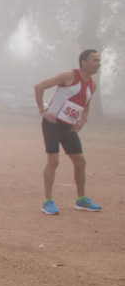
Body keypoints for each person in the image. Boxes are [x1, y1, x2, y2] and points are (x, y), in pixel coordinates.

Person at [33, 49, 102, 215]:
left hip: (69, 127)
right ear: (84, 62)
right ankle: (47, 202)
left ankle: (81, 200)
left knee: (80, 163)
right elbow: (39, 87)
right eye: (95, 60)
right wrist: (42, 111)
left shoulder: (93, 84)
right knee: (53, 162)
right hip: (52, 124)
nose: (98, 64)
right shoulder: (69, 75)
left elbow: (86, 104)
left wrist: (83, 120)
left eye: (99, 60)